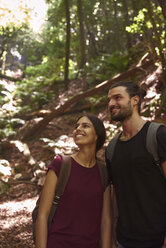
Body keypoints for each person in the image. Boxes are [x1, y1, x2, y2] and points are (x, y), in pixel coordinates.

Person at [35, 114, 111, 248]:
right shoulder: (61, 164)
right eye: (77, 126)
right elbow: (42, 215)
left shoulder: (103, 172)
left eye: (85, 126)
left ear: (97, 135)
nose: (78, 129)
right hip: (58, 243)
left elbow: (106, 220)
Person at [106, 81, 166, 248]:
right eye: (109, 100)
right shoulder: (112, 148)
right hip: (124, 241)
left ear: (135, 100)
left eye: (117, 98)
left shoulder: (158, 135)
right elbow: (115, 196)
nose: (111, 104)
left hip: (158, 240)